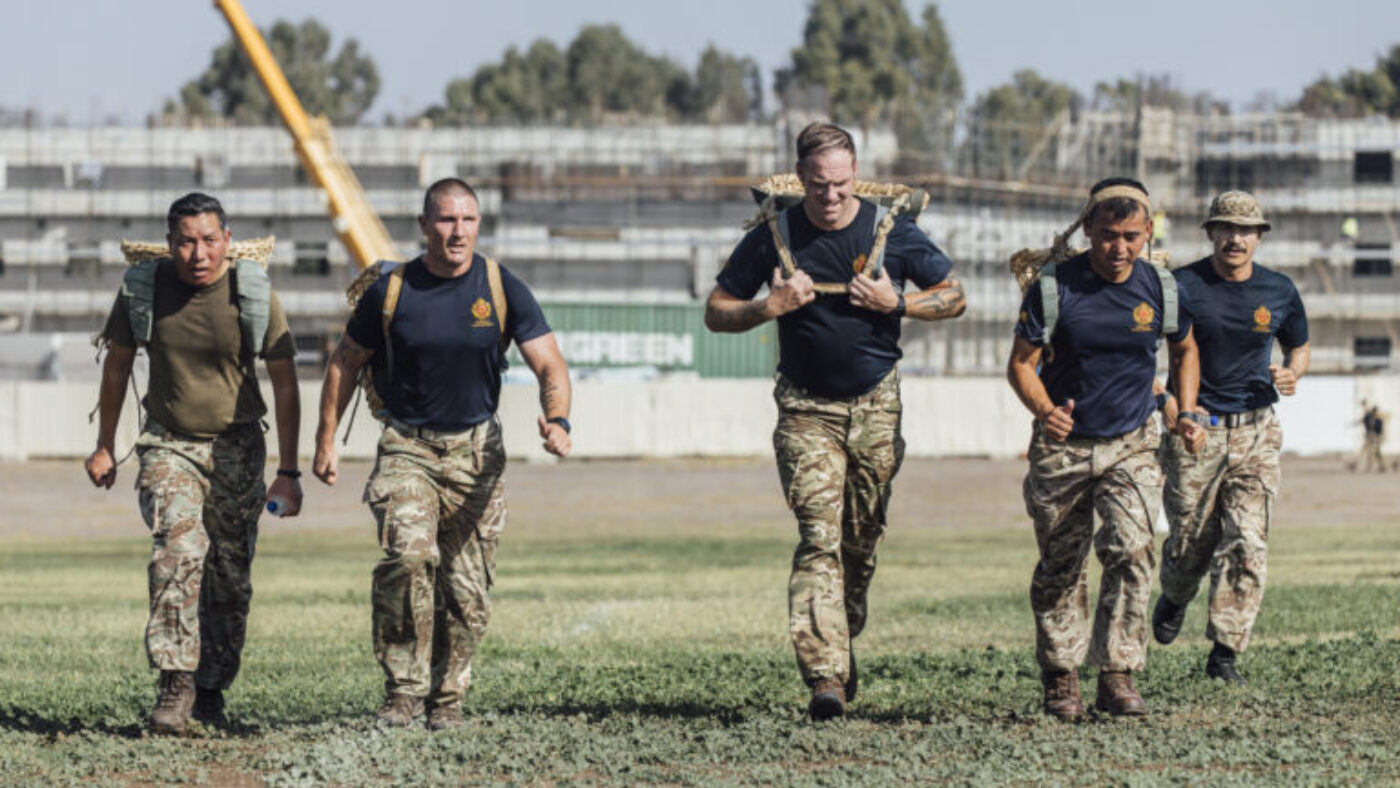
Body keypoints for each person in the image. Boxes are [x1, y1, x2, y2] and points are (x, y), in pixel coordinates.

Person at [705, 122, 966, 720]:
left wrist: (896, 303)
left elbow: (954, 295)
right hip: (805, 410)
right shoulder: (774, 236)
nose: (830, 197)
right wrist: (767, 306)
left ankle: (844, 627)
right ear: (801, 179)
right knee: (818, 541)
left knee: (859, 540)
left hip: (877, 405)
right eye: (819, 185)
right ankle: (825, 676)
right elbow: (716, 312)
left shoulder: (890, 231)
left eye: (842, 185)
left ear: (856, 177)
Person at [313, 178, 572, 731]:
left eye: (468, 220)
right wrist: (325, 441)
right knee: (407, 558)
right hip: (407, 446)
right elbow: (344, 362)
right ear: (425, 225)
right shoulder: (392, 289)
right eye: (447, 220)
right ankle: (403, 690)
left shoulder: (501, 286)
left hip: (476, 455)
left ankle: (447, 696)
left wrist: (558, 418)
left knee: (467, 590)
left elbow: (550, 365)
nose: (458, 232)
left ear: (478, 225)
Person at [84, 192, 303, 735]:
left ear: (227, 241)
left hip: (237, 446)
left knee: (230, 578)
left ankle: (210, 687)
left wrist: (290, 470)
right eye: (185, 241)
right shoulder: (144, 289)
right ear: (169, 244)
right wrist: (106, 444)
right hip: (169, 443)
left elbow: (284, 381)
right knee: (179, 552)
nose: (197, 253)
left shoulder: (253, 291)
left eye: (209, 240)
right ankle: (175, 683)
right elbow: (117, 366)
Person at [1006, 177, 1207, 721]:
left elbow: (1185, 350)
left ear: (1147, 233)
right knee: (1061, 565)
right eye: (1109, 235)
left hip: (1131, 445)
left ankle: (1117, 673)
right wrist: (1045, 409)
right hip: (1064, 450)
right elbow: (1021, 363)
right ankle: (1061, 676)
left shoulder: (1161, 289)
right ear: (1088, 230)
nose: (1119, 248)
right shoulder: (1053, 288)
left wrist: (1186, 411)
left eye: (1131, 236)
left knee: (1132, 550)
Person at [1152, 190, 1309, 685]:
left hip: (1256, 432)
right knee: (1190, 545)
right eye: (1226, 228)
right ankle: (1175, 594)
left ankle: (1224, 654)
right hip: (1197, 432)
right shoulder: (1182, 286)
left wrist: (1292, 373)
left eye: (1246, 230)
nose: (1235, 238)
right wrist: (1172, 409)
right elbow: (1141, 352)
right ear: (1211, 233)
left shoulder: (1279, 290)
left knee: (1247, 541)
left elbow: (1299, 345)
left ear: (1259, 237)